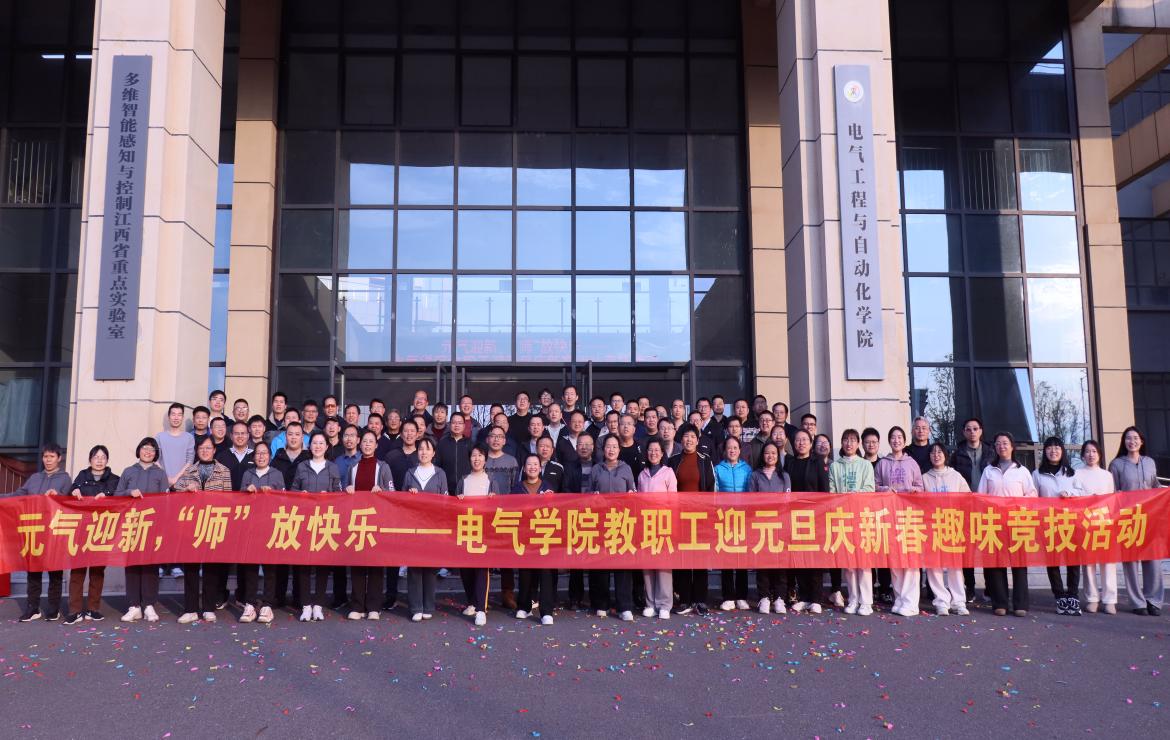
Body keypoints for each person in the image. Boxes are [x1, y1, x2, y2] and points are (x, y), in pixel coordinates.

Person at [173, 437, 231, 625]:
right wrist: (186, 490)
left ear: (214, 450)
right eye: (202, 448)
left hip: (214, 523)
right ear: (197, 450)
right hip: (192, 526)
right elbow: (175, 490)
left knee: (211, 569)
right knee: (191, 568)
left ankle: (208, 608)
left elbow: (229, 499)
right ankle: (190, 609)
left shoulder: (224, 471)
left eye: (208, 447)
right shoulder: (189, 470)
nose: (205, 451)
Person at [978, 432, 1037, 617]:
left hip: (1017, 522)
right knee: (996, 564)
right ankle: (1000, 603)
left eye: (1005, 443)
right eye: (998, 443)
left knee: (1019, 564)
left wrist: (1017, 505)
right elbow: (981, 496)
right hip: (994, 523)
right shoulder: (989, 470)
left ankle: (1020, 604)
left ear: (1012, 446)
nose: (1001, 446)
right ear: (994, 448)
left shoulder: (1022, 471)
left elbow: (1032, 494)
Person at [60, 445, 121, 625]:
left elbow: (119, 496)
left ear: (107, 460)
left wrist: (107, 495)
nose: (99, 460)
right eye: (96, 457)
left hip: (102, 529)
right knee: (77, 571)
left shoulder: (114, 479)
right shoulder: (82, 476)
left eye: (103, 457)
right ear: (90, 459)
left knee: (97, 571)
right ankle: (75, 610)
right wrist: (74, 491)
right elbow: (71, 491)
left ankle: (93, 608)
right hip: (81, 529)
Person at [11, 443, 71, 622]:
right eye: (45, 456)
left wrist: (58, 496)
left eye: (52, 456)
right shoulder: (35, 478)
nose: (48, 460)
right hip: (34, 531)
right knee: (33, 572)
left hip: (54, 532)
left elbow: (70, 501)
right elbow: (19, 495)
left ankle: (53, 609)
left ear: (59, 458)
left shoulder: (65, 479)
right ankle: (32, 608)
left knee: (55, 572)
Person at [1110, 426, 1164, 616]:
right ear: (1123, 442)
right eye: (1128, 438)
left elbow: (1155, 485)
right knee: (1131, 562)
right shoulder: (1116, 464)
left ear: (1141, 441)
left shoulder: (1149, 462)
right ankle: (1137, 601)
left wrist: (1164, 491)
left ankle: (1154, 600)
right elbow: (1112, 492)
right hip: (1128, 519)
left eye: (1135, 438)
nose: (1132, 441)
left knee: (1153, 560)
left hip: (1150, 517)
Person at [290, 431, 343, 621]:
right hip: (305, 521)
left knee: (322, 564)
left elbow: (339, 493)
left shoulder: (333, 467)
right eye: (315, 443)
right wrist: (301, 495)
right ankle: (306, 605)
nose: (318, 446)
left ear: (327, 447)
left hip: (325, 522)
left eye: (321, 443)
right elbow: (293, 490)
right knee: (304, 564)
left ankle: (318, 605)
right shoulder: (302, 466)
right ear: (309, 446)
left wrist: (329, 496)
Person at [116, 438, 170, 623]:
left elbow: (166, 500)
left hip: (152, 525)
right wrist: (128, 492)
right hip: (131, 525)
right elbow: (117, 494)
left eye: (152, 449)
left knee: (150, 565)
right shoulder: (128, 471)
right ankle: (134, 606)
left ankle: (149, 605)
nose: (148, 452)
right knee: (132, 564)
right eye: (145, 448)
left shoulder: (160, 473)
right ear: (139, 450)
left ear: (156, 454)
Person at [874, 426, 925, 617]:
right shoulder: (882, 463)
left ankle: (911, 602)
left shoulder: (912, 463)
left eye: (899, 437)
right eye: (893, 437)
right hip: (889, 515)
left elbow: (920, 486)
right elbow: (874, 485)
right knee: (894, 559)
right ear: (889, 441)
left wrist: (915, 490)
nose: (896, 440)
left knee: (910, 559)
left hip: (909, 515)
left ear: (904, 441)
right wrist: (885, 489)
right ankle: (899, 598)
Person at [587, 436, 637, 621]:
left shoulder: (626, 469)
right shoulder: (596, 469)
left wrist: (632, 495)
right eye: (608, 446)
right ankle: (602, 604)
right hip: (601, 523)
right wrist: (592, 497)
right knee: (602, 564)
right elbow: (588, 494)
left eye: (615, 446)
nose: (611, 450)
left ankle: (625, 606)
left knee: (622, 565)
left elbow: (633, 491)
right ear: (603, 449)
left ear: (619, 450)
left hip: (621, 522)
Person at [345, 430, 394, 620]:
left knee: (375, 564)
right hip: (357, 521)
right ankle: (357, 605)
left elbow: (392, 492)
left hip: (376, 521)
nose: (367, 444)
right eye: (364, 441)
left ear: (376, 445)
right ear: (360, 443)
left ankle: (374, 606)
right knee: (357, 563)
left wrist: (381, 490)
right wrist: (348, 489)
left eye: (371, 441)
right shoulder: (353, 467)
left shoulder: (383, 467)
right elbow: (344, 491)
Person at [667, 427, 716, 615]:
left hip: (701, 517)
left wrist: (709, 514)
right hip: (680, 518)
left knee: (700, 558)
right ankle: (685, 599)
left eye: (692, 437)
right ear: (681, 440)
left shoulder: (705, 460)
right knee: (683, 559)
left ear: (698, 440)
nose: (689, 440)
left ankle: (700, 600)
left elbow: (711, 487)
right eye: (686, 436)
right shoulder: (673, 461)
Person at [949, 417, 996, 604]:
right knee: (966, 549)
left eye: (975, 428)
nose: (972, 432)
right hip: (965, 507)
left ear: (981, 431)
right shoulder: (957, 454)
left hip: (987, 508)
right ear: (964, 432)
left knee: (988, 547)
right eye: (968, 429)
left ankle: (990, 587)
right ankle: (969, 587)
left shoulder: (991, 452)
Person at [829, 430, 876, 615]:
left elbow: (869, 489)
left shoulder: (865, 465)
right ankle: (853, 598)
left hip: (861, 518)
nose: (849, 443)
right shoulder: (835, 466)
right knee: (848, 563)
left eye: (853, 440)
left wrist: (855, 496)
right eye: (845, 440)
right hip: (843, 518)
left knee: (863, 561)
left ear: (858, 444)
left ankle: (866, 601)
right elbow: (832, 491)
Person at [921, 442, 970, 616]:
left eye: (939, 452)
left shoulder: (955, 476)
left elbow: (968, 498)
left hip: (952, 525)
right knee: (934, 566)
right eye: (933, 453)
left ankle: (958, 602)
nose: (936, 455)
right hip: (932, 526)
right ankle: (941, 601)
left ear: (945, 455)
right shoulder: (924, 478)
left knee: (955, 566)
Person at [1033, 436, 1080, 615]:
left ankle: (1073, 595)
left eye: (1057, 448)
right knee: (1052, 561)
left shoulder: (1072, 473)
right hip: (1049, 523)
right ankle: (1060, 596)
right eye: (1050, 448)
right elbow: (1033, 498)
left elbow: (1082, 492)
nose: (1053, 451)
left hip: (1070, 522)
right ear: (1044, 451)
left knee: (1073, 560)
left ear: (1062, 451)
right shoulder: (1037, 474)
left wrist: (1070, 492)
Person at [403, 438, 449, 622]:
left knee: (430, 567)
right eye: (421, 449)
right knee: (414, 567)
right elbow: (401, 500)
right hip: (414, 526)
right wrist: (409, 495)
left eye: (427, 449)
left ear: (433, 453)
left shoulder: (440, 473)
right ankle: (415, 607)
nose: (423, 452)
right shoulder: (410, 473)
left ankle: (428, 605)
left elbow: (445, 501)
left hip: (433, 526)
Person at [241, 441, 285, 623]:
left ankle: (267, 605)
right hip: (251, 526)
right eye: (258, 453)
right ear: (254, 456)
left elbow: (284, 500)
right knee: (250, 567)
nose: (261, 456)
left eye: (264, 453)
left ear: (270, 456)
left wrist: (272, 493)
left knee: (270, 567)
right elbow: (238, 500)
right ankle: (250, 604)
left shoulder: (277, 474)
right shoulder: (247, 474)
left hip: (271, 525)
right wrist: (246, 491)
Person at [511, 453, 558, 625]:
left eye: (535, 464)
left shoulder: (548, 487)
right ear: (524, 468)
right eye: (529, 464)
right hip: (525, 536)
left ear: (540, 467)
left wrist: (550, 499)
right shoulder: (517, 488)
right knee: (525, 573)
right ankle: (524, 606)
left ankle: (546, 611)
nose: (532, 467)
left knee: (545, 573)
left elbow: (556, 510)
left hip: (544, 535)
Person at [786, 429, 829, 614]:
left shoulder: (817, 462)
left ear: (811, 444)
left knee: (814, 557)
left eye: (805, 440)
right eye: (798, 440)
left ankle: (816, 598)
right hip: (794, 517)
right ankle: (804, 597)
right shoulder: (790, 463)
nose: (801, 443)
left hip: (814, 516)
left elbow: (824, 490)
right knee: (799, 557)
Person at [456, 446, 499, 626]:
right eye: (473, 455)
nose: (477, 459)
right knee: (465, 569)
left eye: (480, 455)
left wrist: (494, 498)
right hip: (465, 529)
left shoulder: (491, 480)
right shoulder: (463, 480)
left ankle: (481, 609)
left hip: (484, 532)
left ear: (485, 459)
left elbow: (498, 507)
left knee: (481, 569)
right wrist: (458, 499)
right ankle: (472, 602)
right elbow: (455, 505)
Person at [1074, 440, 1118, 614]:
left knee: (1108, 563)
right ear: (1082, 455)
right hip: (1086, 523)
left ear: (1099, 454)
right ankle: (1092, 598)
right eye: (1087, 451)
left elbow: (1112, 499)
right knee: (1088, 563)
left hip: (1104, 522)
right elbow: (1075, 497)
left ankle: (1110, 599)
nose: (1091, 454)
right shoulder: (1077, 474)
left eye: (1094, 451)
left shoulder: (1107, 475)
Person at [748, 441, 791, 614]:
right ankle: (764, 597)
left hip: (780, 525)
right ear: (762, 455)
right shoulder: (755, 475)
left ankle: (780, 598)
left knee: (780, 563)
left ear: (778, 456)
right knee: (763, 562)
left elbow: (787, 501)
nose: (770, 456)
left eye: (774, 453)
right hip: (761, 524)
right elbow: (751, 500)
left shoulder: (784, 476)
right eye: (767, 453)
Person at [637, 439, 677, 620]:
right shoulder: (642, 474)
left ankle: (664, 604)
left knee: (663, 565)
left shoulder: (668, 472)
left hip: (663, 523)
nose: (653, 453)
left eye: (657, 450)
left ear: (662, 453)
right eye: (650, 450)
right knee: (647, 565)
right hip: (646, 524)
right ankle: (650, 603)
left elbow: (673, 500)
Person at [482, 424, 520, 609]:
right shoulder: (481, 459)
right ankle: (483, 595)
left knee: (506, 557)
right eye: (493, 436)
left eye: (500, 436)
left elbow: (515, 487)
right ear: (487, 439)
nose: (496, 439)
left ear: (505, 441)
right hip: (484, 514)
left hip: (506, 513)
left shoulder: (511, 461)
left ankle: (508, 594)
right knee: (484, 555)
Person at [714, 436, 752, 611]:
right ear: (724, 450)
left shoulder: (747, 469)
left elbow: (751, 493)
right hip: (725, 518)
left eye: (735, 447)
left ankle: (742, 596)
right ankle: (728, 596)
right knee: (727, 558)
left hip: (742, 518)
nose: (732, 450)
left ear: (740, 450)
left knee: (742, 559)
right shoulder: (718, 469)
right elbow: (715, 493)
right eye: (729, 447)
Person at [812, 432, 844, 607]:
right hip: (815, 516)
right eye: (819, 442)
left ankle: (836, 589)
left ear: (830, 447)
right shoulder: (810, 464)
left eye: (826, 442)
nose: (822, 445)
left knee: (834, 552)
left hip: (834, 514)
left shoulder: (836, 465)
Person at [155, 402, 195, 489]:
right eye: (173, 414)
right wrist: (167, 478)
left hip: (183, 484)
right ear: (169, 417)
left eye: (179, 415)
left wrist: (176, 478)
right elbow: (156, 460)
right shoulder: (159, 437)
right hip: (162, 482)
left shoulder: (189, 437)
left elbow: (190, 461)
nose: (176, 418)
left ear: (182, 417)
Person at [437, 411, 474, 487]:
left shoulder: (470, 444)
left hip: (466, 486)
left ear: (464, 426)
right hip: (446, 486)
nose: (457, 425)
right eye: (454, 422)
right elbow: (437, 466)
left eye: (460, 423)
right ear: (449, 424)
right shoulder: (442, 444)